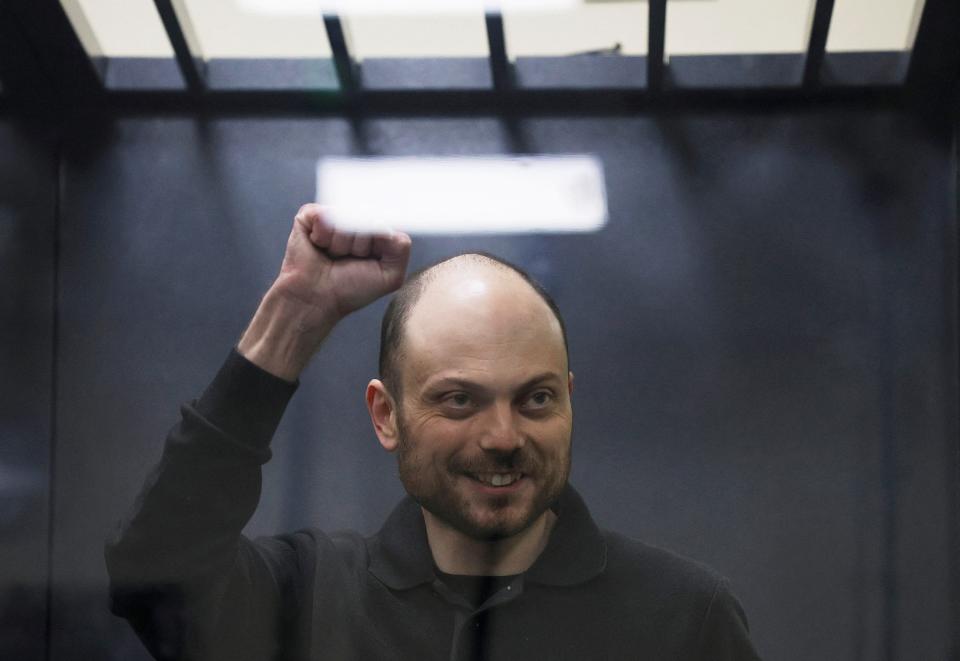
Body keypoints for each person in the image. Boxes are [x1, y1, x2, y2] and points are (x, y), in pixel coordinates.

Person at [106, 204, 762, 660]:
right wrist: (295, 315)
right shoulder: (310, 599)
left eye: (535, 398)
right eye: (459, 400)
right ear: (385, 416)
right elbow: (155, 571)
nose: (503, 435)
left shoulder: (683, 616)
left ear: (570, 398)